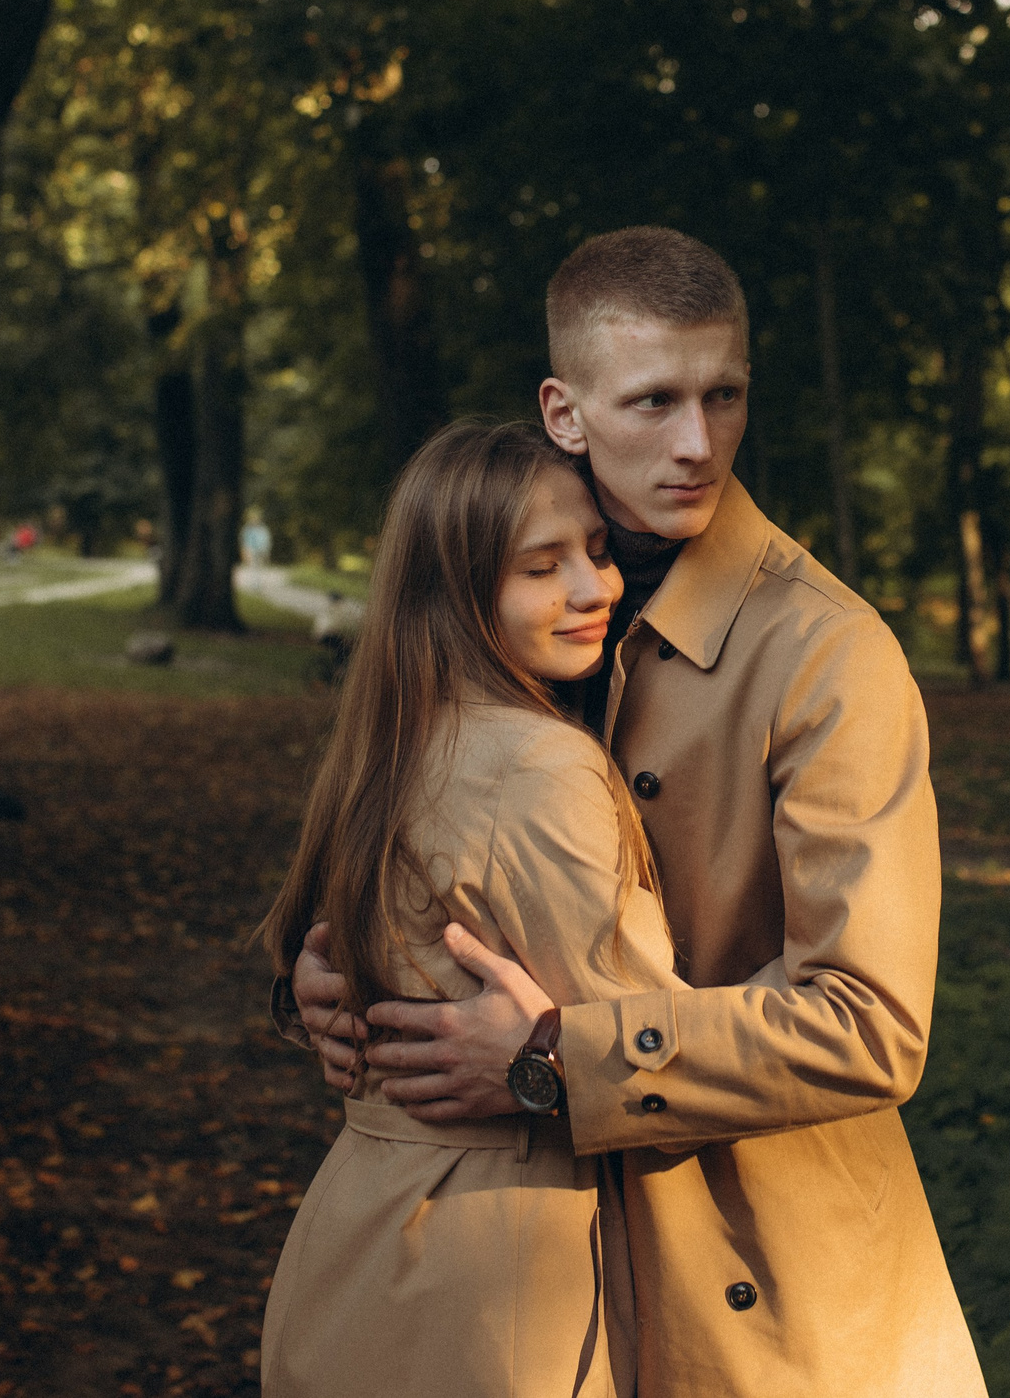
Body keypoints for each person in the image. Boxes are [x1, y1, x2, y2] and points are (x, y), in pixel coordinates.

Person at [292, 228, 987, 1394]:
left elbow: (871, 1022)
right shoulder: (511, 599)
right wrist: (345, 976)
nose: (696, 442)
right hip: (541, 1263)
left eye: (725, 396)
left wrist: (561, 1057)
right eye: (655, 400)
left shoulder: (828, 655)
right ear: (565, 413)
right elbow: (429, 839)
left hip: (759, 1267)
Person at [256, 419, 682, 1398]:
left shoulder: (392, 740)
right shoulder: (537, 765)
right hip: (489, 1280)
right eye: (543, 566)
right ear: (455, 591)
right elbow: (659, 1057)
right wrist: (546, 1061)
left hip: (353, 1242)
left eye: (599, 550)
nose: (594, 589)